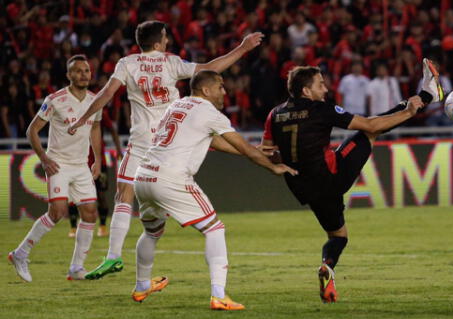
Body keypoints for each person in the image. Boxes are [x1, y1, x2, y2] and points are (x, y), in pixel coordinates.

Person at [68, 21, 264, 280]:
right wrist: (242, 48)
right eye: (166, 37)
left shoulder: (126, 64)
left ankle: (114, 257)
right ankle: (254, 153)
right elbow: (209, 69)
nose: (168, 40)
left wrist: (84, 117)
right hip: (169, 141)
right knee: (210, 143)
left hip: (141, 141)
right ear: (159, 42)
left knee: (124, 195)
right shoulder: (171, 62)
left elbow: (106, 94)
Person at [260, 59, 443, 303]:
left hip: (303, 186)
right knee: (368, 132)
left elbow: (266, 150)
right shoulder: (320, 109)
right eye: (320, 85)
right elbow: (370, 124)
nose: (325, 90)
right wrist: (409, 110)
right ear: (306, 91)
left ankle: (328, 267)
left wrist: (280, 161)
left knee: (338, 236)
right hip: (332, 177)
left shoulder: (275, 114)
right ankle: (427, 96)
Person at [131, 70, 297, 310]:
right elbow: (240, 145)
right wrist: (272, 167)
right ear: (206, 90)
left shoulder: (179, 105)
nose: (224, 91)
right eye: (220, 86)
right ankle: (218, 295)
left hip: (144, 175)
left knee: (152, 232)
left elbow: (215, 141)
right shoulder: (209, 111)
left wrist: (256, 150)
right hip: (171, 177)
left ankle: (141, 285)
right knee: (214, 229)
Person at [8, 54, 103, 282]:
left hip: (81, 166)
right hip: (58, 163)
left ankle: (76, 268)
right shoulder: (55, 99)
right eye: (78, 71)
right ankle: (20, 254)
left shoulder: (95, 100)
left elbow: (95, 128)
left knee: (90, 214)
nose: (83, 75)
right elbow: (32, 130)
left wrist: (97, 159)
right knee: (57, 213)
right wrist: (43, 158)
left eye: (86, 71)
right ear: (69, 75)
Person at [68, 110, 123, 238]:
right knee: (74, 195)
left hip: (99, 161)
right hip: (78, 161)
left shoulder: (99, 111)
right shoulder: (72, 111)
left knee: (101, 194)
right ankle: (73, 227)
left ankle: (102, 226)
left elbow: (112, 130)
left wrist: (119, 149)